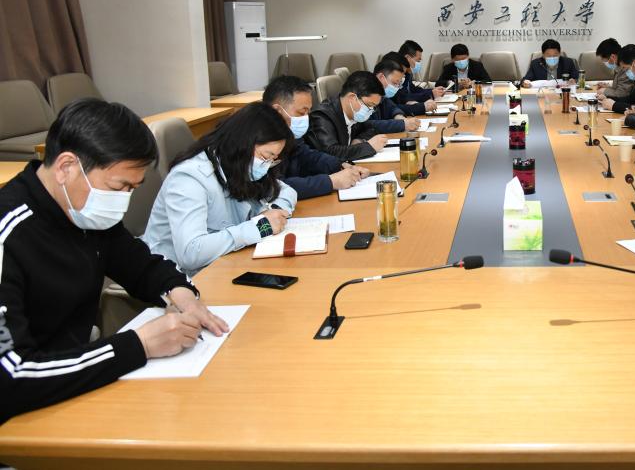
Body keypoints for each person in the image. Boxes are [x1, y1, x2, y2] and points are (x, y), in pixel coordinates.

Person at [0, 99, 228, 423]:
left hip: (73, 386)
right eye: (118, 187)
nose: (123, 202)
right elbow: (11, 378)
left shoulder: (84, 212)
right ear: (66, 167)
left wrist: (181, 293)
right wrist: (140, 345)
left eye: (132, 189)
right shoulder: (8, 234)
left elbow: (141, 265)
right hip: (24, 414)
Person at [143, 103, 298, 277]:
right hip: (178, 277)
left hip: (224, 264)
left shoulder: (238, 166)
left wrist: (274, 213)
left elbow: (287, 191)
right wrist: (261, 227)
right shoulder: (190, 177)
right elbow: (190, 253)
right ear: (243, 143)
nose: (266, 166)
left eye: (273, 160)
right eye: (265, 156)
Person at [263, 75, 369, 200]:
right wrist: (330, 182)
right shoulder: (258, 141)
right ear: (277, 111)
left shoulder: (288, 132)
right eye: (301, 112)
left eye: (308, 112)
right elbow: (273, 187)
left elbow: (306, 155)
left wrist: (340, 165)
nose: (306, 118)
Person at [306, 71, 389, 162]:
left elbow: (370, 128)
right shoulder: (322, 116)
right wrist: (369, 147)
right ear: (352, 98)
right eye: (369, 105)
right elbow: (331, 152)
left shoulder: (353, 112)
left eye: (374, 107)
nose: (371, 110)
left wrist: (358, 140)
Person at [371, 59, 421, 133]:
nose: (396, 88)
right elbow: (367, 125)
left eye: (398, 84)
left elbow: (392, 107)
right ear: (381, 77)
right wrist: (402, 124)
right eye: (394, 83)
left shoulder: (382, 95)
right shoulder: (365, 93)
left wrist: (399, 116)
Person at [386, 51, 438, 116]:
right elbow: (390, 108)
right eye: (417, 60)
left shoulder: (406, 76)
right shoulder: (380, 91)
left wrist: (431, 92)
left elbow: (403, 97)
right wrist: (421, 107)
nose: (401, 78)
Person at [396, 40, 445, 105]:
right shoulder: (396, 74)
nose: (418, 64)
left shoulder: (407, 73)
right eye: (418, 61)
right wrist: (430, 94)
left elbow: (413, 90)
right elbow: (403, 98)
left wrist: (432, 91)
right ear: (407, 58)